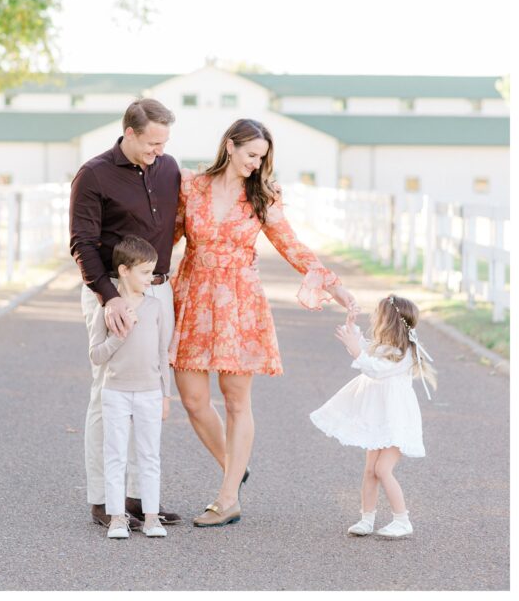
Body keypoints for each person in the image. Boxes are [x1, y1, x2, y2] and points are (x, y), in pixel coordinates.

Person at [169, 118, 359, 527]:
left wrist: (334, 287)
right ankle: (234, 468)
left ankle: (227, 497)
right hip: (193, 298)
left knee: (236, 400)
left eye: (263, 157)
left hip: (239, 302)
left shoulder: (262, 195)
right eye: (252, 154)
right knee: (193, 400)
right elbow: (166, 236)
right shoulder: (192, 186)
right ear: (230, 146)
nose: (257, 164)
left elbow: (291, 244)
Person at [70, 98, 181, 530]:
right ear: (129, 133)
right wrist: (108, 297)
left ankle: (137, 498)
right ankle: (103, 500)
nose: (159, 150)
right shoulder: (94, 174)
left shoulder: (169, 168)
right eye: (152, 142)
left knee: (150, 385)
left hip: (158, 290)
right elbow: (81, 241)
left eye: (164, 142)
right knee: (107, 391)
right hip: (112, 292)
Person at [310, 294, 437, 538]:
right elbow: (365, 351)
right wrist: (352, 328)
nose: (374, 318)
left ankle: (402, 520)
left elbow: (375, 369)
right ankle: (366, 519)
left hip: (396, 421)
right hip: (379, 420)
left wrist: (357, 347)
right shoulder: (382, 347)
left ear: (388, 321)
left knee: (382, 469)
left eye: (378, 315)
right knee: (370, 470)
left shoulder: (403, 354)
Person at [89, 235, 171, 540]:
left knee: (150, 455)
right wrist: (119, 336)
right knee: (115, 455)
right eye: (145, 273)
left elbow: (163, 354)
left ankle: (151, 517)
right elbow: (96, 355)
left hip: (150, 391)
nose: (151, 279)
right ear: (124, 271)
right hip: (116, 392)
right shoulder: (107, 311)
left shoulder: (155, 307)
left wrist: (166, 394)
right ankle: (117, 519)